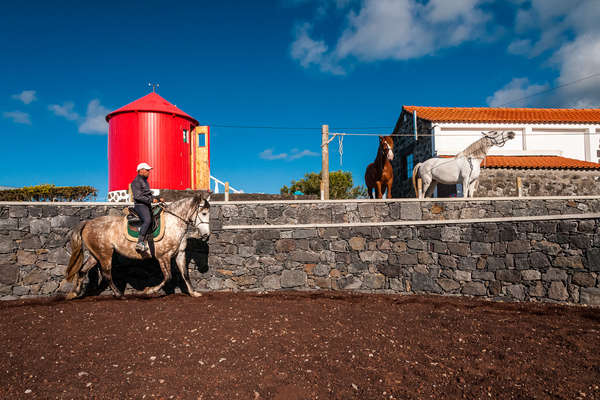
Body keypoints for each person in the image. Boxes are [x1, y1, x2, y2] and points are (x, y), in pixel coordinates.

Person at [130, 162, 163, 253]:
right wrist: (151, 200)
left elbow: (147, 195)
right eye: (147, 170)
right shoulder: (136, 182)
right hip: (140, 205)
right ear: (141, 171)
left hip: (146, 205)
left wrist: (157, 199)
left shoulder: (144, 181)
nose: (149, 172)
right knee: (147, 220)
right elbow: (137, 196)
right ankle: (140, 243)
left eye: (149, 170)